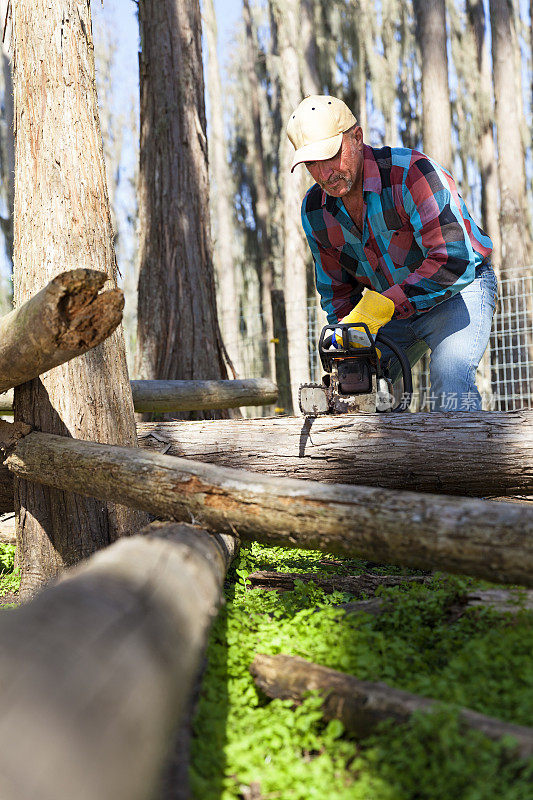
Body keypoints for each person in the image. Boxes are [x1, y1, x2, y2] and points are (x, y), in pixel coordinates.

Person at [287, 95, 497, 411]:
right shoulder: (315, 211)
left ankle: (467, 457)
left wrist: (386, 304)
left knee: (449, 377)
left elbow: (454, 259)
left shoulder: (411, 173)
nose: (325, 172)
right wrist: (349, 342)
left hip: (459, 290)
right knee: (354, 387)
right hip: (391, 310)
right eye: (312, 164)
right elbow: (337, 294)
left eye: (331, 156)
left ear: (356, 138)